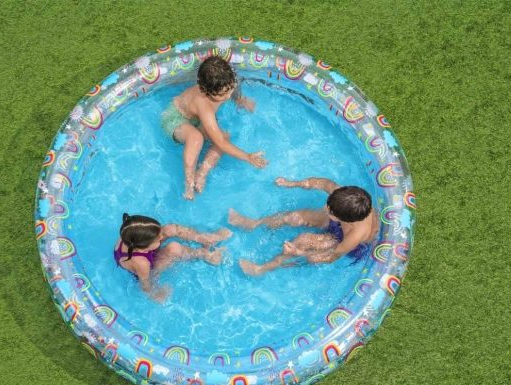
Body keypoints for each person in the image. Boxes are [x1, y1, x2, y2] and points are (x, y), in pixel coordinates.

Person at [160, 56, 268, 200]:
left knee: (224, 137)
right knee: (196, 138)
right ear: (207, 91)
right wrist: (247, 157)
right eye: (223, 94)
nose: (228, 95)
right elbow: (219, 143)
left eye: (230, 89)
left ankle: (202, 173)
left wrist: (240, 100)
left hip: (197, 120)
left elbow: (233, 89)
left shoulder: (226, 83)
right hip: (175, 119)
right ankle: (189, 183)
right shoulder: (203, 104)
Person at [228, 177, 379, 276]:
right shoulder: (345, 198)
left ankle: (261, 269)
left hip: (342, 241)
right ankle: (254, 224)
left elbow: (330, 257)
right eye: (328, 204)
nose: (325, 208)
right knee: (294, 217)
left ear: (343, 218)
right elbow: (324, 183)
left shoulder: (355, 236)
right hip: (341, 221)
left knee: (303, 240)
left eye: (329, 210)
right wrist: (292, 183)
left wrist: (299, 253)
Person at [115, 214, 232, 303]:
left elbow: (160, 235)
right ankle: (202, 254)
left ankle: (205, 239)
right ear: (143, 248)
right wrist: (156, 295)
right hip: (149, 269)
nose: (163, 237)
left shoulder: (129, 233)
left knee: (169, 228)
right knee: (174, 248)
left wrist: (159, 237)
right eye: (159, 239)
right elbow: (145, 285)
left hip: (145, 250)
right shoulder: (142, 263)